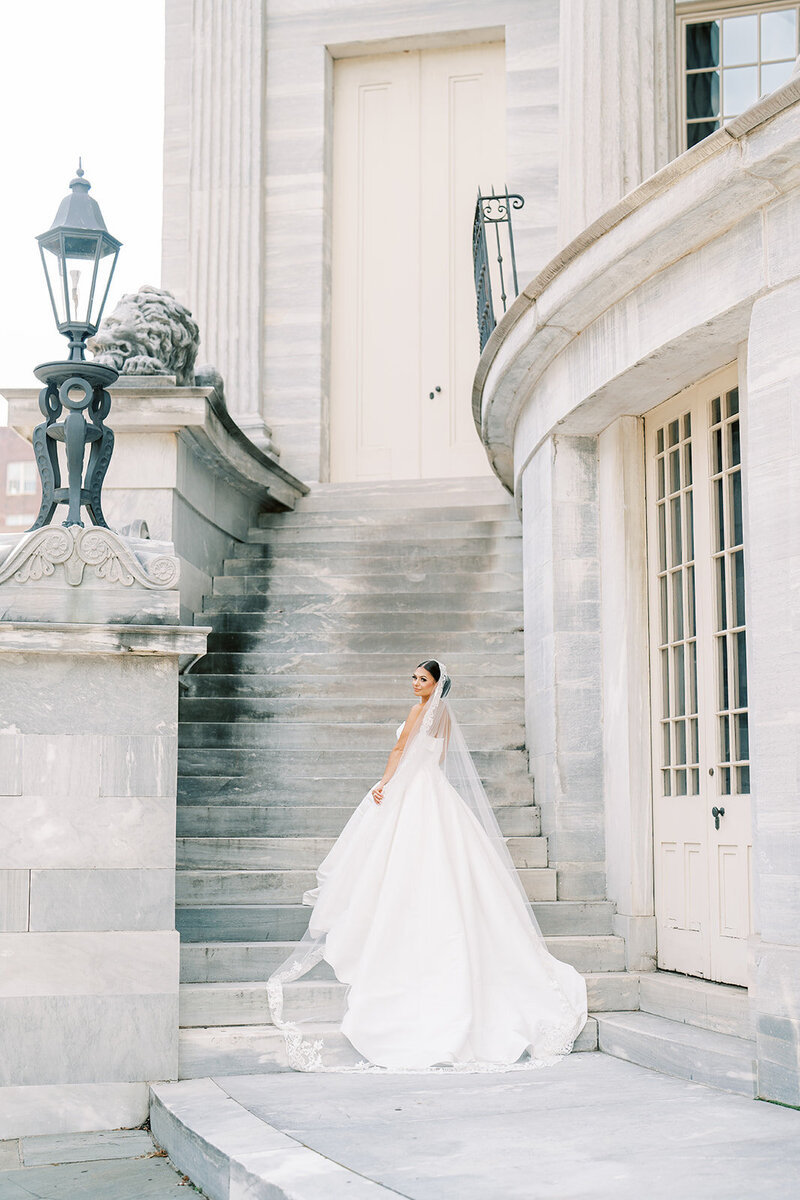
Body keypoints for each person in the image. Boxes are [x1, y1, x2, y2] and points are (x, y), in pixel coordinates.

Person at [266, 659, 588, 1072]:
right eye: (414, 678)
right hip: (434, 790)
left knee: (407, 859)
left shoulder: (420, 711)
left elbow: (400, 749)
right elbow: (438, 761)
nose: (415, 684)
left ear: (435, 684)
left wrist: (385, 784)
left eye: (422, 679)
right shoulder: (446, 716)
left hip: (414, 790)